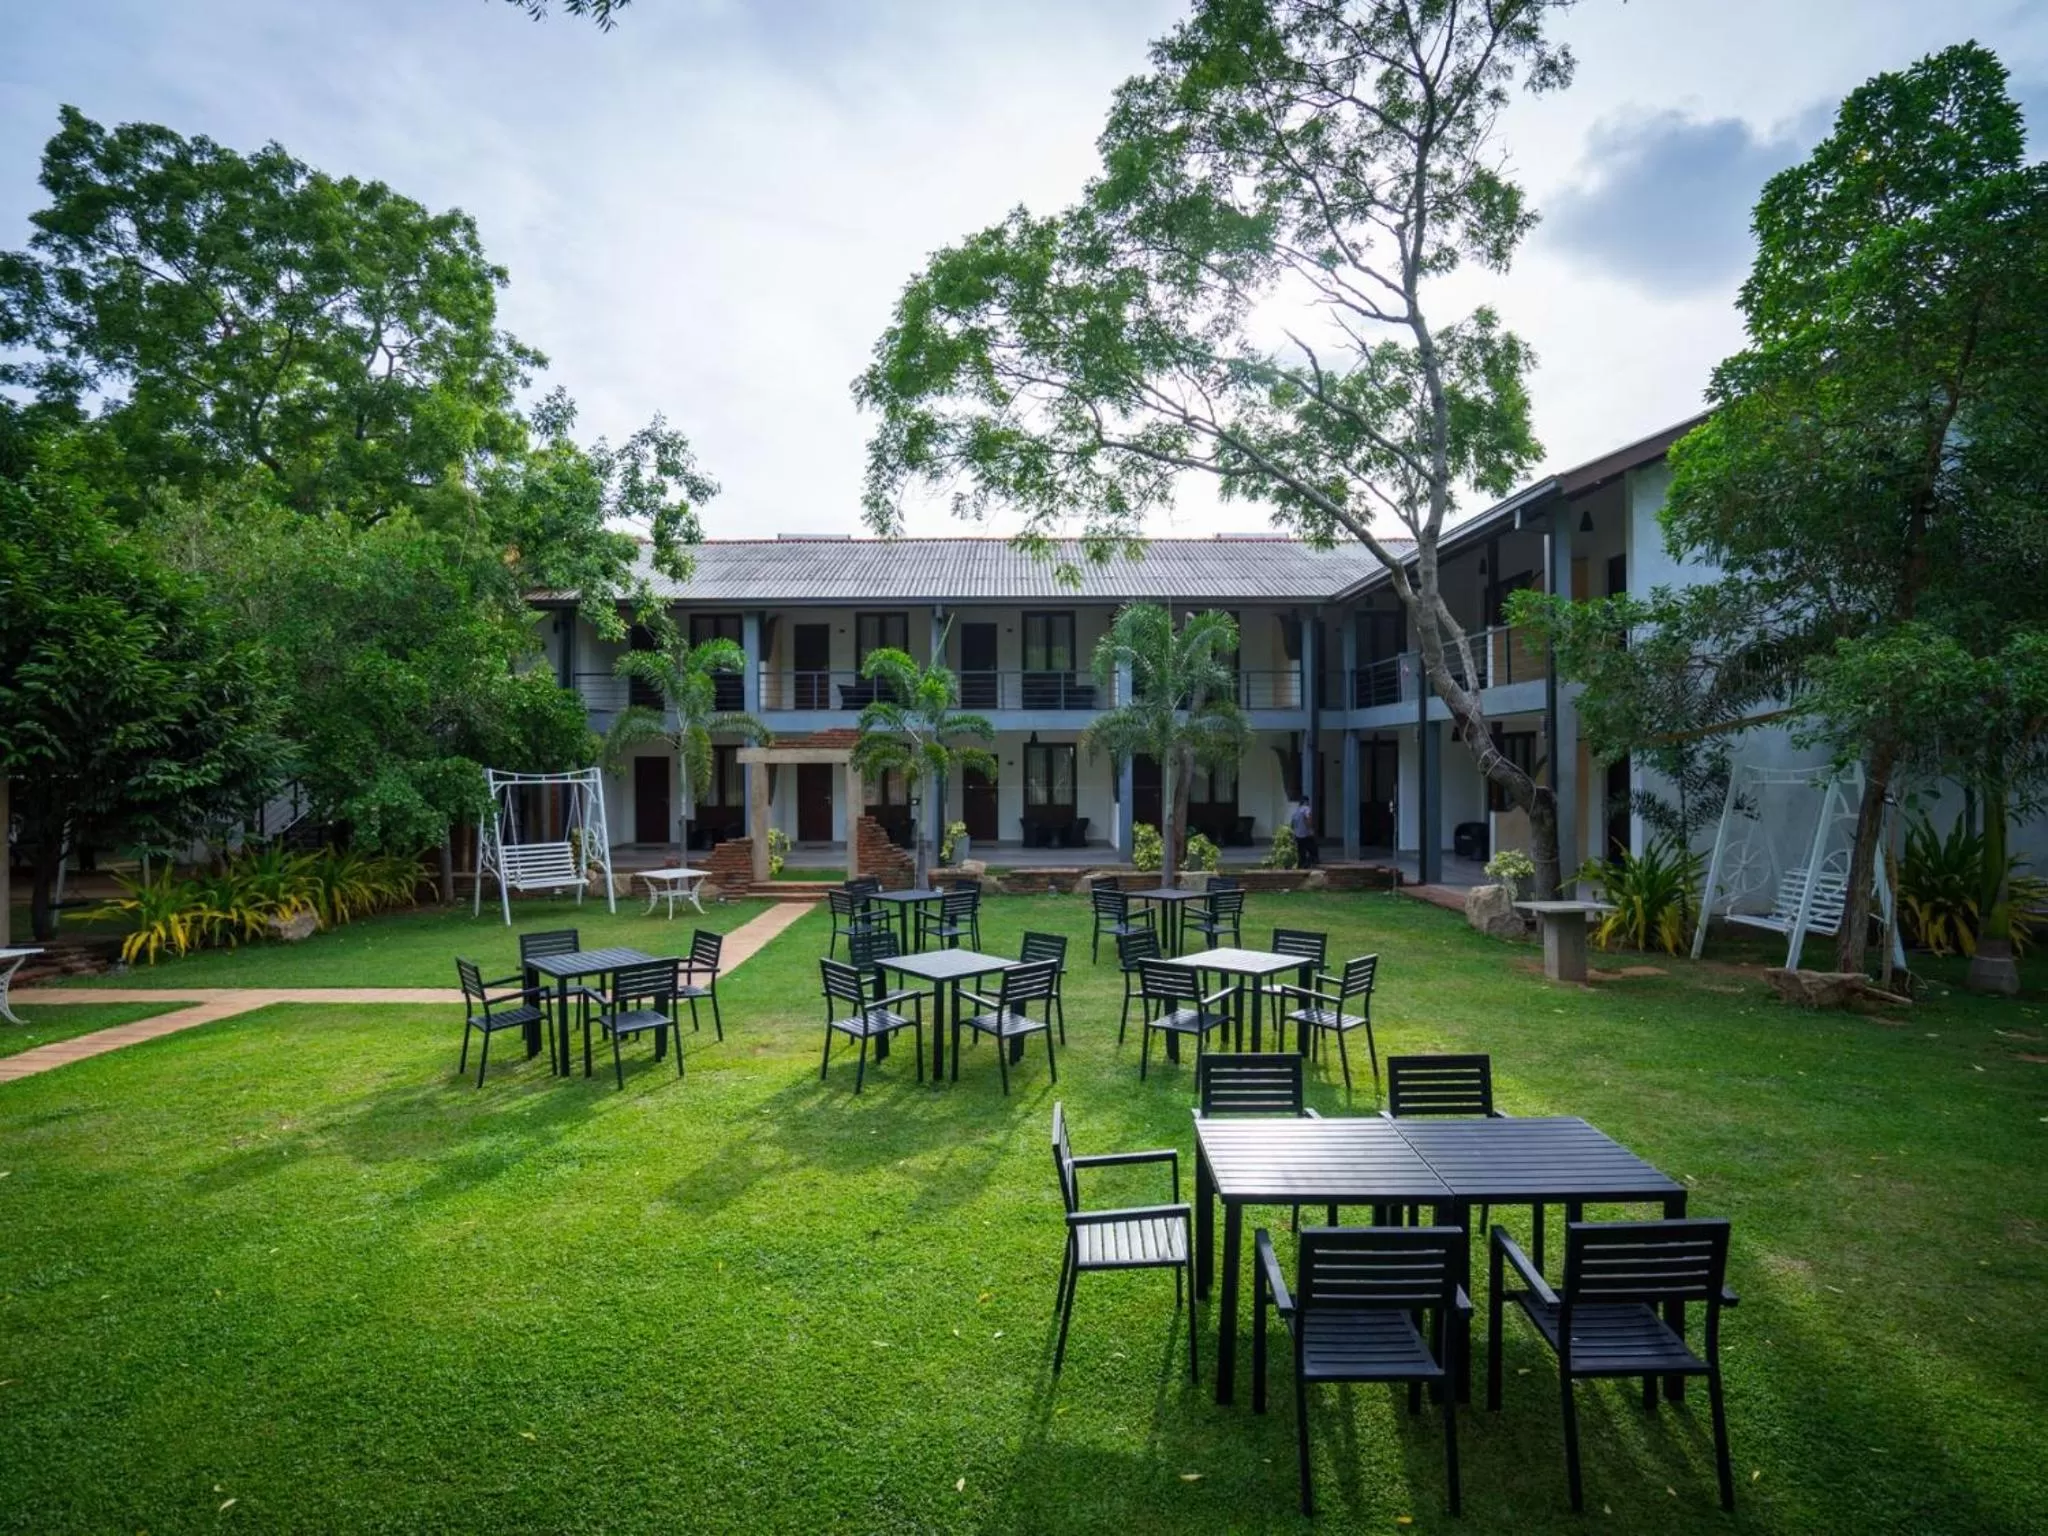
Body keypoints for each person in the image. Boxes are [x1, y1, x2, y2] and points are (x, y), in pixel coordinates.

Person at [1288, 797, 1318, 869]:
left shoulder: (1296, 811)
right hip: (1306, 834)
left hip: (1298, 836)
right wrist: (1310, 829)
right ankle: (1312, 864)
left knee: (1301, 853)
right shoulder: (1306, 808)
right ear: (1306, 802)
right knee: (1313, 851)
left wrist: (1294, 834)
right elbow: (1308, 818)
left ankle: (1302, 866)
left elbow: (1292, 824)